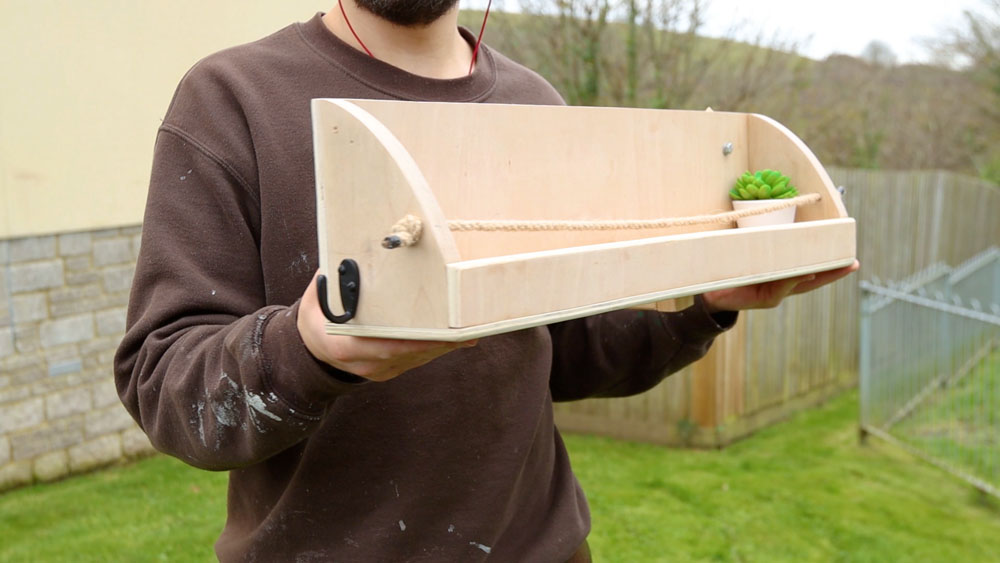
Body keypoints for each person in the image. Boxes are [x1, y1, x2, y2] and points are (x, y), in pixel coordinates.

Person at [114, 2, 859, 561]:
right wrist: (306, 350)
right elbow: (164, 380)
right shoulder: (232, 98)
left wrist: (704, 309)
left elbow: (565, 349)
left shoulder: (534, 106)